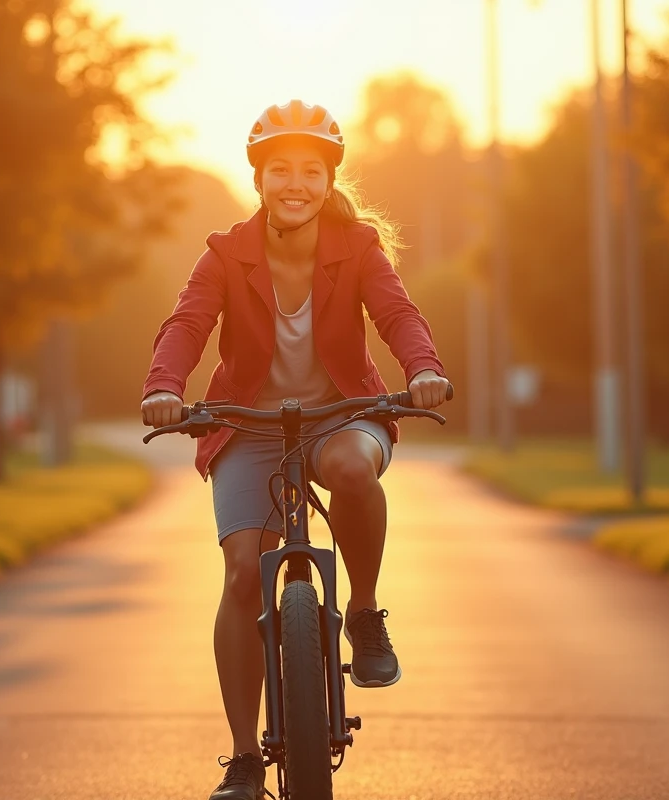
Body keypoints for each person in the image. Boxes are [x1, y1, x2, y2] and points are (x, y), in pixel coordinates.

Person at [140, 99, 451, 800]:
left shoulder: (359, 248)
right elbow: (187, 323)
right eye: (280, 169)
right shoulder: (226, 253)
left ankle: (365, 615)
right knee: (244, 574)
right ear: (258, 178)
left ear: (329, 179)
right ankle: (245, 757)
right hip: (247, 424)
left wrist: (423, 369)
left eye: (311, 170)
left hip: (344, 414)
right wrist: (163, 385)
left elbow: (398, 313)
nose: (295, 183)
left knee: (348, 468)